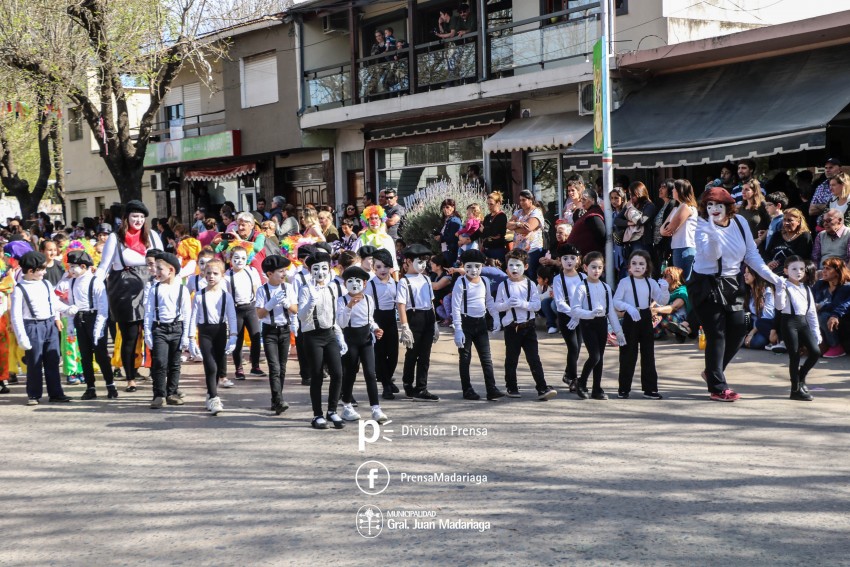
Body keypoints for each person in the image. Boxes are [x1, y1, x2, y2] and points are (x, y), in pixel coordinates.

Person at [689, 187, 783, 402]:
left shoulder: (740, 222)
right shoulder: (701, 226)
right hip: (706, 283)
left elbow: (751, 254)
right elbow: (712, 257)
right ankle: (718, 387)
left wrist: (772, 277)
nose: (714, 210)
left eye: (718, 205)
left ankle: (713, 372)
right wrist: (713, 236)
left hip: (732, 282)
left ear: (728, 207)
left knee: (739, 331)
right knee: (717, 334)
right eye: (710, 205)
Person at [96, 200, 164, 394]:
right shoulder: (114, 238)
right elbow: (104, 266)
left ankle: (157, 373)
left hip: (150, 289)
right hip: (125, 293)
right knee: (130, 337)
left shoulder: (152, 236)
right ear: (126, 218)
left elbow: (164, 260)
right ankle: (130, 378)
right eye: (134, 216)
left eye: (142, 217)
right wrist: (92, 284)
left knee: (156, 334)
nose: (138, 220)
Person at [495, 249, 558, 401]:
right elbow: (497, 306)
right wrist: (506, 304)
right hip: (512, 327)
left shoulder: (530, 284)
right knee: (511, 359)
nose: (514, 269)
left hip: (528, 327)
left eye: (518, 265)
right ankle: (511, 386)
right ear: (506, 268)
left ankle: (542, 387)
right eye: (511, 265)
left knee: (534, 358)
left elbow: (537, 305)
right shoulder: (503, 285)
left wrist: (524, 304)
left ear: (526, 267)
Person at [12, 251, 71, 405]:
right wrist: (21, 337)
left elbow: (54, 302)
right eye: (42, 270)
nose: (45, 272)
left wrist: (66, 308)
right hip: (32, 326)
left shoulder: (45, 283)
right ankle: (33, 394)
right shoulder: (19, 289)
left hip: (50, 324)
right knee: (34, 362)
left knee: (53, 359)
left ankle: (56, 393)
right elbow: (16, 315)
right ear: (31, 271)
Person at [298, 251, 347, 430]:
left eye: (324, 268)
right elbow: (302, 317)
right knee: (317, 375)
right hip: (312, 336)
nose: (320, 272)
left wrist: (340, 335)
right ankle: (317, 414)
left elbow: (333, 315)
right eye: (316, 269)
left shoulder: (333, 288)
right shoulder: (305, 289)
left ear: (329, 270)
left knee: (338, 373)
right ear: (310, 271)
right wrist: (311, 300)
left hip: (329, 334)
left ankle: (332, 410)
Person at [568, 251, 625, 400]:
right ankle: (581, 382)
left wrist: (618, 332)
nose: (596, 271)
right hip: (587, 323)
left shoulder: (606, 287)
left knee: (600, 358)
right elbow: (575, 309)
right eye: (593, 267)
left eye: (599, 268)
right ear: (585, 267)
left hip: (602, 324)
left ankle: (597, 388)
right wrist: (590, 313)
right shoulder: (581, 287)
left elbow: (611, 312)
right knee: (595, 356)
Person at [613, 250, 669, 399]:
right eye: (634, 263)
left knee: (648, 353)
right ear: (629, 266)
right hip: (631, 317)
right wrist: (628, 307)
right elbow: (616, 300)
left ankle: (650, 389)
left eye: (641, 264)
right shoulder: (624, 282)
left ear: (647, 266)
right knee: (627, 354)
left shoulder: (650, 282)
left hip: (645, 316)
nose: (638, 267)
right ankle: (624, 388)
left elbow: (663, 300)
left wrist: (664, 289)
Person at [337, 265, 389, 423]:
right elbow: (341, 322)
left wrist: (375, 329)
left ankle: (376, 408)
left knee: (370, 373)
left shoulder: (368, 299)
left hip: (366, 340)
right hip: (350, 339)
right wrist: (349, 306)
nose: (354, 284)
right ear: (345, 284)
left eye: (358, 281)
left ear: (365, 284)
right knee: (350, 373)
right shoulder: (342, 300)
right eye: (350, 281)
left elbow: (369, 319)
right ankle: (346, 405)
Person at [451, 249, 503, 401]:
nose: (473, 270)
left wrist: (496, 318)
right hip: (465, 322)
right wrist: (458, 329)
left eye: (477, 266)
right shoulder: (460, 283)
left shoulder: (485, 281)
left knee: (486, 358)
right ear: (464, 266)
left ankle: (491, 389)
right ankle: (467, 389)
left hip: (480, 323)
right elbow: (455, 307)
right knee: (465, 358)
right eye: (469, 266)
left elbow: (489, 302)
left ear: (482, 266)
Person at [64, 250, 117, 400]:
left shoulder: (95, 282)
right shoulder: (72, 281)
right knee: (85, 356)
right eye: (69, 266)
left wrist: (98, 328)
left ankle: (110, 385)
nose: (70, 270)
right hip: (79, 319)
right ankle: (90, 387)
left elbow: (102, 307)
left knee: (101, 355)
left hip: (94, 318)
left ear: (83, 266)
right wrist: (70, 323)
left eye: (73, 266)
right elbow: (71, 303)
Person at [188, 258, 237, 416]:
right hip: (205, 332)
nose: (211, 276)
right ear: (203, 274)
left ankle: (210, 393)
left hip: (220, 331)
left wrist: (234, 336)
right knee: (210, 366)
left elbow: (232, 317)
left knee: (217, 365)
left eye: (215, 273)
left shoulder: (226, 296)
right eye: (208, 273)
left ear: (222, 275)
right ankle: (215, 397)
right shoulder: (199, 295)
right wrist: (190, 338)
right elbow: (193, 317)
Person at [144, 252, 191, 409]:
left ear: (171, 270)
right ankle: (159, 394)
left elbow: (187, 314)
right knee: (159, 362)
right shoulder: (154, 289)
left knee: (174, 363)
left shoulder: (181, 290)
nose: (156, 271)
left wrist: (186, 336)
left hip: (177, 328)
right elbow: (149, 313)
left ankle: (171, 393)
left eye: (160, 268)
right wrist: (148, 333)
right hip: (160, 329)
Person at [397, 243, 440, 402]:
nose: (422, 266)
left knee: (425, 355)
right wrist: (405, 326)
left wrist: (434, 322)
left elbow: (431, 301)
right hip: (414, 316)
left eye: (424, 262)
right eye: (419, 262)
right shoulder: (404, 281)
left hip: (428, 316)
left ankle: (422, 387)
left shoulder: (427, 279)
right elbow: (401, 304)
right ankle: (408, 384)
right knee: (412, 353)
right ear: (408, 261)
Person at [775, 256, 821, 401]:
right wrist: (780, 289)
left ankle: (801, 378)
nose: (798, 272)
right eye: (794, 269)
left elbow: (812, 312)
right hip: (789, 322)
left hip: (803, 323)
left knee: (815, 352)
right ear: (785, 271)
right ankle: (795, 390)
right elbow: (779, 306)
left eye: (801, 269)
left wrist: (816, 332)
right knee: (794, 356)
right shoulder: (784, 286)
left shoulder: (806, 288)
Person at [256, 255, 297, 416]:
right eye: (281, 271)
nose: (284, 273)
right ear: (270, 273)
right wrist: (270, 304)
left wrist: (287, 304)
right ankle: (279, 400)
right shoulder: (262, 290)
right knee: (274, 367)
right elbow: (259, 314)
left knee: (282, 367)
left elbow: (295, 309)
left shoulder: (288, 287)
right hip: (270, 331)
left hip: (285, 330)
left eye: (285, 270)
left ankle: (276, 399)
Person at [225, 245, 264, 380]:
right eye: (236, 258)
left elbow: (257, 289)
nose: (240, 261)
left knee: (255, 336)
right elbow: (227, 296)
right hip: (236, 310)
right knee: (238, 339)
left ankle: (255, 366)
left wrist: (259, 307)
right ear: (230, 259)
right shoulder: (227, 276)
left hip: (251, 308)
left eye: (243, 258)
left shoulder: (251, 271)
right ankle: (239, 368)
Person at [552, 243, 585, 392]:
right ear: (560, 260)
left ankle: (568, 374)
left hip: (582, 316)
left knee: (578, 347)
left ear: (578, 260)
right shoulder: (558, 279)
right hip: (566, 317)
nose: (569, 261)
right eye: (565, 258)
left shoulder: (583, 277)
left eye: (573, 258)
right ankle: (573, 378)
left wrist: (580, 314)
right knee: (573, 346)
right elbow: (559, 302)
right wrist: (573, 314)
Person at [367, 249, 400, 400]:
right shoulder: (370, 285)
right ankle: (386, 385)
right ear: (373, 267)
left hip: (391, 319)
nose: (382, 270)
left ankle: (387, 379)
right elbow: (366, 305)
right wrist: (371, 325)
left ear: (391, 268)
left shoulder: (396, 283)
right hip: (377, 318)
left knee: (393, 354)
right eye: (378, 266)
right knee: (380, 354)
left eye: (386, 266)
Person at [661, 179, 698, 282]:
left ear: (679, 190)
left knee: (683, 281)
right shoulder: (676, 208)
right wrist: (665, 230)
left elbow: (669, 229)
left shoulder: (686, 207)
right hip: (677, 247)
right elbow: (662, 229)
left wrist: (666, 230)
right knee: (680, 281)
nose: (672, 190)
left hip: (685, 248)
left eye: (674, 188)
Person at [813, 257, 850, 358]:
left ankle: (836, 346)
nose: (823, 271)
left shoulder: (846, 287)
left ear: (837, 272)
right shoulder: (820, 284)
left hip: (841, 321)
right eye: (823, 267)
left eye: (828, 269)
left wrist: (820, 307)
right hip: (821, 321)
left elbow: (841, 305)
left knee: (823, 316)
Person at [762, 208, 813, 275]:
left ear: (798, 222)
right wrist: (769, 262)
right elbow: (766, 253)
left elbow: (801, 257)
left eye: (790, 220)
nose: (786, 223)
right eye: (784, 220)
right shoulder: (777, 235)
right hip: (772, 270)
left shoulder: (804, 236)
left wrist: (779, 262)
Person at [508, 190, 545, 279]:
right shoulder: (518, 212)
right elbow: (508, 225)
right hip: (518, 250)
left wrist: (515, 228)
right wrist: (518, 224)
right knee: (520, 275)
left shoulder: (536, 212)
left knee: (531, 275)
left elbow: (528, 229)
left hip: (532, 250)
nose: (521, 202)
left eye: (524, 200)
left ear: (530, 200)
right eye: (520, 200)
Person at [354, 205, 399, 273]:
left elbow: (394, 264)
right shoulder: (361, 239)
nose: (374, 221)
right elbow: (355, 261)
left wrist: (396, 282)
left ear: (381, 220)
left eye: (376, 218)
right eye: (371, 218)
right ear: (367, 221)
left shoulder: (388, 239)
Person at [652, 266, 692, 341]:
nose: (663, 279)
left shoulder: (682, 291)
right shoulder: (666, 290)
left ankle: (679, 331)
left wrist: (655, 310)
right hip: (666, 316)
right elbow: (656, 301)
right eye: (662, 276)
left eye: (665, 276)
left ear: (674, 278)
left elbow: (673, 307)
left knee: (664, 317)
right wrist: (651, 310)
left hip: (679, 319)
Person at [565, 187, 605, 256]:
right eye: (581, 199)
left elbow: (601, 235)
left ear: (592, 200)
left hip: (589, 255)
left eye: (584, 199)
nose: (582, 201)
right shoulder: (589, 213)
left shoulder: (594, 215)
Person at [652, 179, 677, 275]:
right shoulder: (664, 205)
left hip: (665, 246)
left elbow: (668, 227)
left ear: (671, 189)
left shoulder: (672, 204)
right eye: (660, 187)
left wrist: (666, 249)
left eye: (663, 187)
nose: (660, 189)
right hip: (659, 245)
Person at [481, 191, 507, 262]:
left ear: (498, 203)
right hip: (486, 249)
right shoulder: (487, 217)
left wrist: (484, 230)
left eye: (491, 204)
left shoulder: (501, 216)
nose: (489, 206)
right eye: (488, 204)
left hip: (497, 250)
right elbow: (482, 233)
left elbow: (495, 232)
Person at [435, 199, 463, 266]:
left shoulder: (454, 220)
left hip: (452, 252)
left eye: (447, 207)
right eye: (443, 207)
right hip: (446, 251)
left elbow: (454, 237)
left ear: (453, 208)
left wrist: (441, 238)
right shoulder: (447, 220)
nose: (445, 209)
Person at [536, 265, 558, 334]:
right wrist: (539, 285)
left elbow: (541, 297)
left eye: (539, 278)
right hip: (547, 311)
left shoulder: (552, 286)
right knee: (536, 303)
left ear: (546, 280)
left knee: (545, 302)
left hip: (556, 309)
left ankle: (552, 325)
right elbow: (535, 296)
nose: (537, 279)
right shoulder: (541, 286)